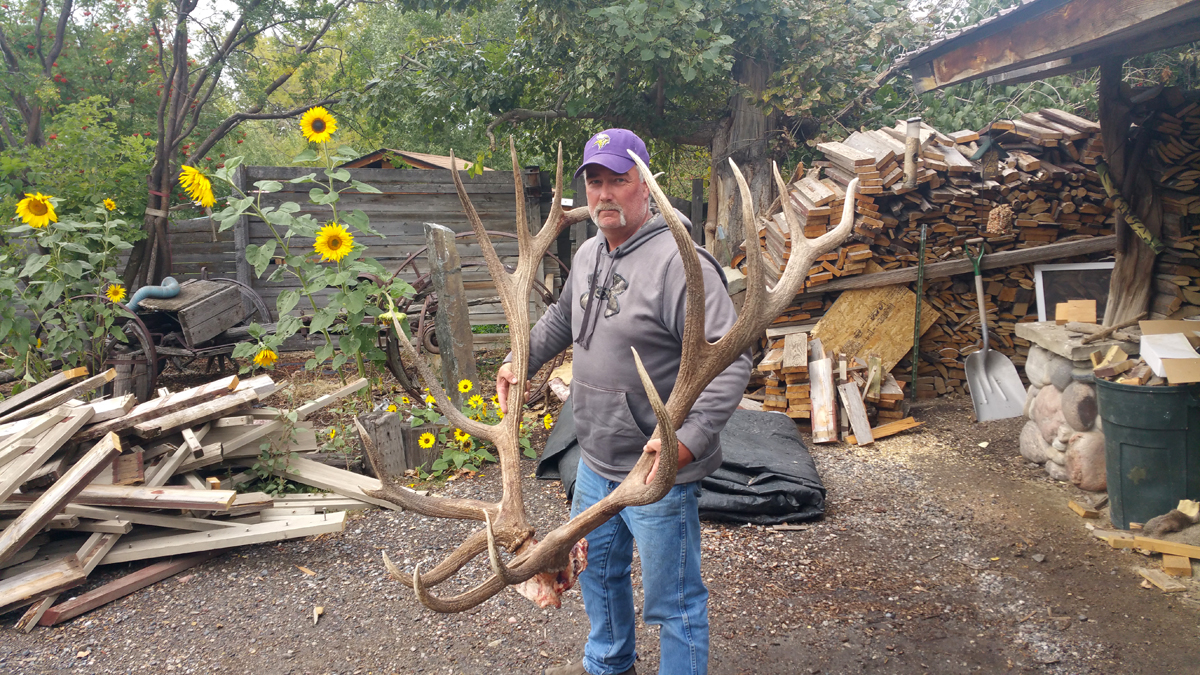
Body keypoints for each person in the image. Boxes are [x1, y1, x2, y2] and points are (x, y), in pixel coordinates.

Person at [496, 128, 751, 675]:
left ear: (646, 186)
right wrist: (521, 358)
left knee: (674, 601)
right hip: (594, 457)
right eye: (595, 181)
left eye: (619, 180)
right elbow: (563, 318)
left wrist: (686, 441)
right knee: (598, 574)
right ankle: (610, 664)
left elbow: (731, 361)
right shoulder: (590, 252)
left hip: (657, 470)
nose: (605, 193)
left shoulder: (681, 263)